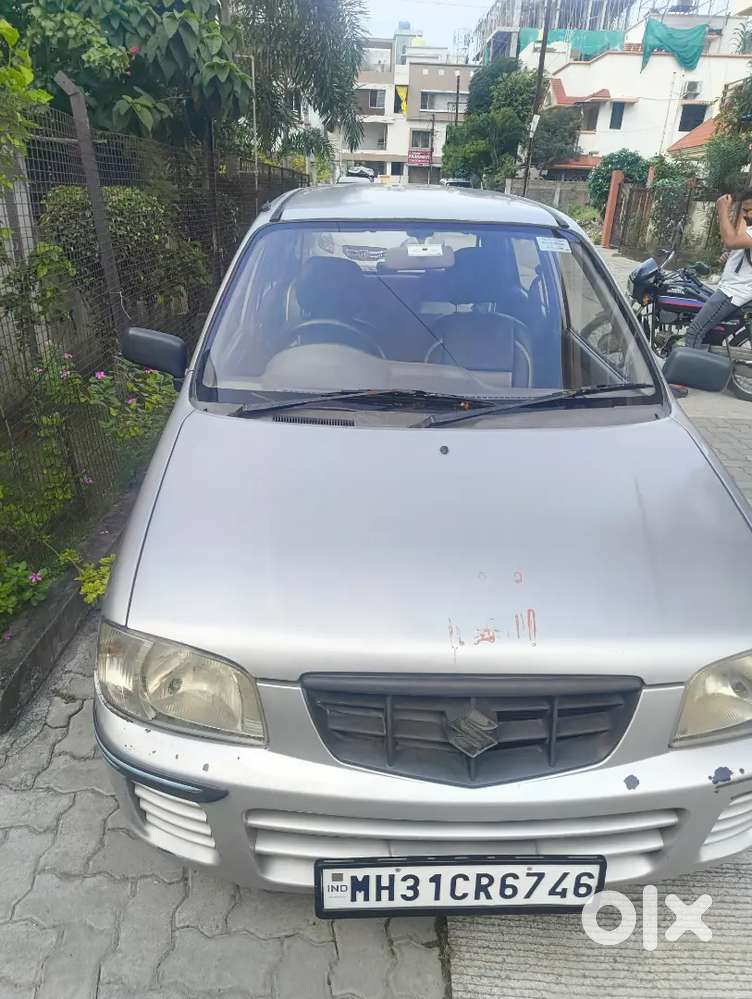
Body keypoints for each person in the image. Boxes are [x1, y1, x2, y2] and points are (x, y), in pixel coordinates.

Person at [684, 190, 752, 348]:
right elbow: (737, 239)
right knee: (707, 334)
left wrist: (722, 209)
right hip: (733, 289)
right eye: (744, 210)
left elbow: (730, 240)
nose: (746, 215)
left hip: (733, 293)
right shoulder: (749, 230)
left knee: (695, 332)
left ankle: (685, 371)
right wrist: (731, 258)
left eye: (750, 210)